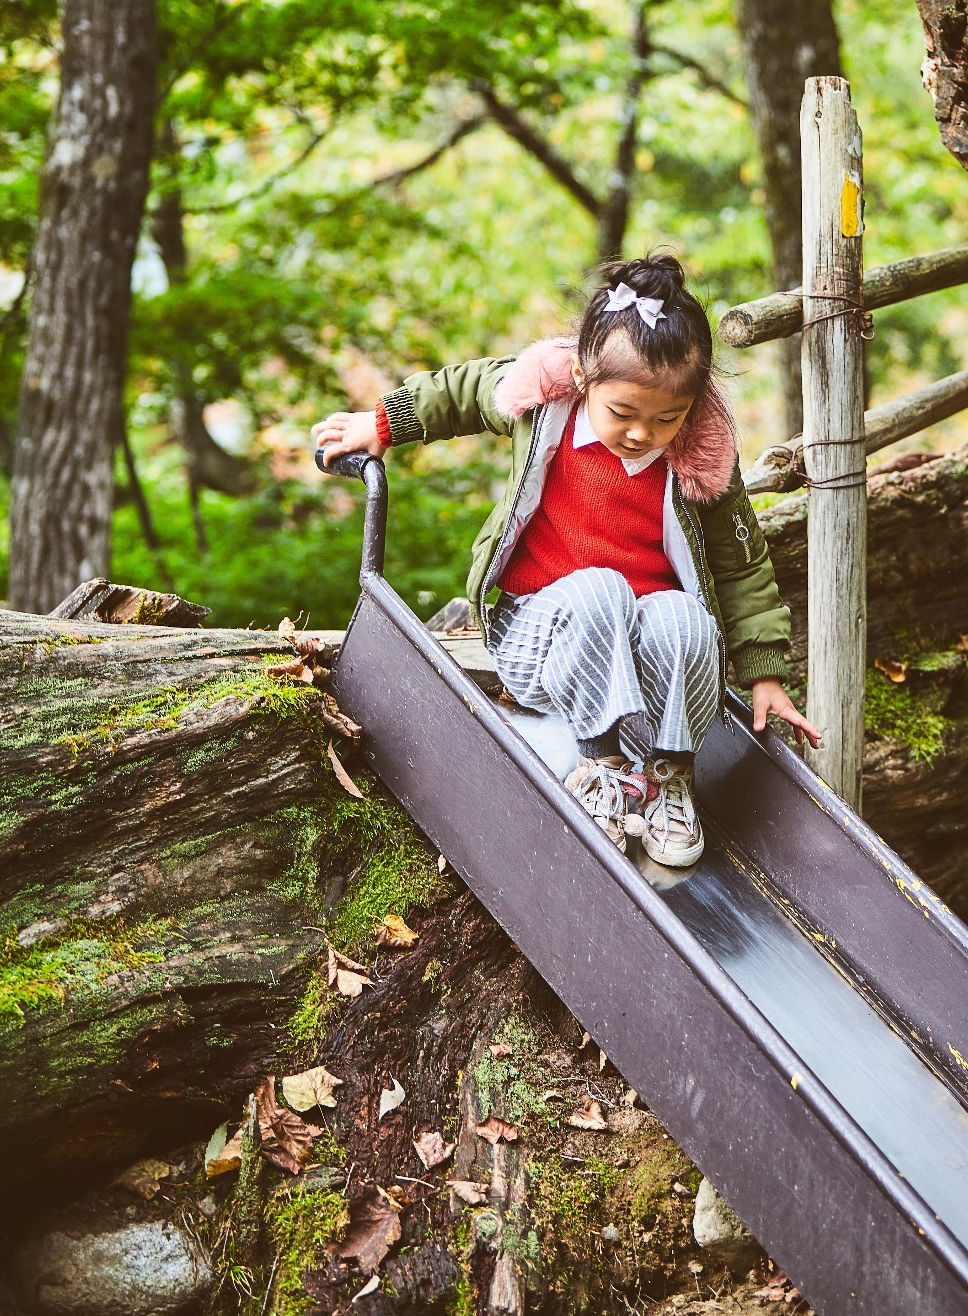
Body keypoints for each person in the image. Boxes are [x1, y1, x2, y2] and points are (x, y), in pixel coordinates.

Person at [312, 253, 817, 871]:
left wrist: (764, 671)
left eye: (667, 418)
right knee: (598, 589)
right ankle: (601, 766)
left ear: (694, 402)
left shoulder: (700, 457)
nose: (641, 434)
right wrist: (383, 423)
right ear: (582, 376)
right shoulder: (545, 401)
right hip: (540, 638)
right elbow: (463, 391)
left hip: (646, 678)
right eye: (623, 414)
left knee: (684, 616)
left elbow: (741, 563)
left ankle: (670, 776)